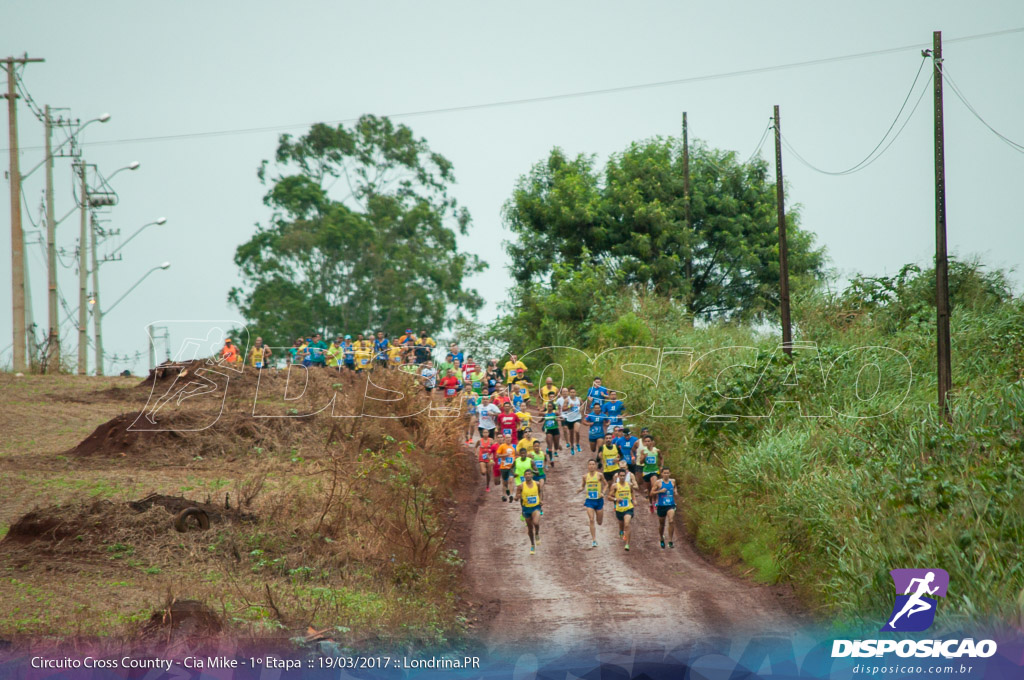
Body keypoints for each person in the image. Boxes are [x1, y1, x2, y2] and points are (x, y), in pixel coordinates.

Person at [607, 468, 640, 551]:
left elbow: (632, 493)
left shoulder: (629, 485)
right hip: (619, 509)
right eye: (620, 476)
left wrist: (634, 500)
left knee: (627, 524)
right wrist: (615, 499)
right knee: (621, 524)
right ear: (618, 476)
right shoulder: (615, 486)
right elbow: (609, 497)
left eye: (623, 476)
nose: (622, 477)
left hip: (629, 508)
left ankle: (627, 544)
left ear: (625, 476)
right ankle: (621, 531)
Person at [577, 459, 607, 548]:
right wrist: (580, 489)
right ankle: (594, 540)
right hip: (589, 500)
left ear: (595, 466)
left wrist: (603, 493)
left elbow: (606, 485)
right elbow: (582, 486)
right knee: (591, 519)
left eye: (593, 464)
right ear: (587, 466)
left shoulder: (600, 475)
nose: (591, 466)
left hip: (598, 501)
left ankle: (599, 521)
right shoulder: (585, 476)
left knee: (599, 522)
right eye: (590, 464)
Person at [515, 468, 543, 555]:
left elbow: (540, 492)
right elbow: (516, 496)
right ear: (524, 476)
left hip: (536, 507)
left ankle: (537, 533)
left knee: (536, 523)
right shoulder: (521, 486)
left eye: (529, 474)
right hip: (526, 509)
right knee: (530, 529)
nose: (527, 476)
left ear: (532, 475)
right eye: (526, 474)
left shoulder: (537, 484)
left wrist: (541, 500)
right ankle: (532, 544)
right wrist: (517, 497)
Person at [650, 467, 677, 549]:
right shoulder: (658, 483)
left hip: (670, 505)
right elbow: (651, 493)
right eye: (664, 473)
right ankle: (661, 538)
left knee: (671, 520)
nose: (666, 474)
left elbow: (675, 487)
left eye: (667, 473)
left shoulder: (673, 481)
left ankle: (670, 540)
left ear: (670, 473)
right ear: (661, 474)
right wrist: (659, 491)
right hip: (661, 505)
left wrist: (675, 491)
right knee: (662, 524)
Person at [638, 435, 661, 511]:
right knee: (649, 489)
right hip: (646, 471)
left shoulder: (656, 450)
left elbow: (661, 458)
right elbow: (641, 462)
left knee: (654, 485)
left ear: (652, 442)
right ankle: (651, 503)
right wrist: (644, 457)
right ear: (644, 442)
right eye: (645, 441)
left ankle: (655, 501)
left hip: (654, 471)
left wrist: (661, 466)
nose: (647, 442)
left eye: (649, 441)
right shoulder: (643, 451)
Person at [496, 435, 517, 501]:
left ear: (511, 438)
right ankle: (504, 495)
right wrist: (504, 455)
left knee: (511, 480)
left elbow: (517, 454)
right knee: (504, 482)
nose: (508, 439)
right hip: (504, 466)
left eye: (509, 437)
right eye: (506, 438)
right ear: (505, 439)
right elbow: (497, 455)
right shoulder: (502, 446)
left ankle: (511, 495)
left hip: (511, 467)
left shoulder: (514, 446)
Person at [541, 402, 560, 466]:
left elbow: (561, 418)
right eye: (548, 406)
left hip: (555, 429)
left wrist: (559, 419)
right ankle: (551, 458)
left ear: (552, 407)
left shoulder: (555, 413)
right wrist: (537, 422)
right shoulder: (545, 414)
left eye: (550, 406)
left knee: (556, 445)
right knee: (550, 444)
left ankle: (554, 450)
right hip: (548, 430)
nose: (549, 407)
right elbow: (541, 419)